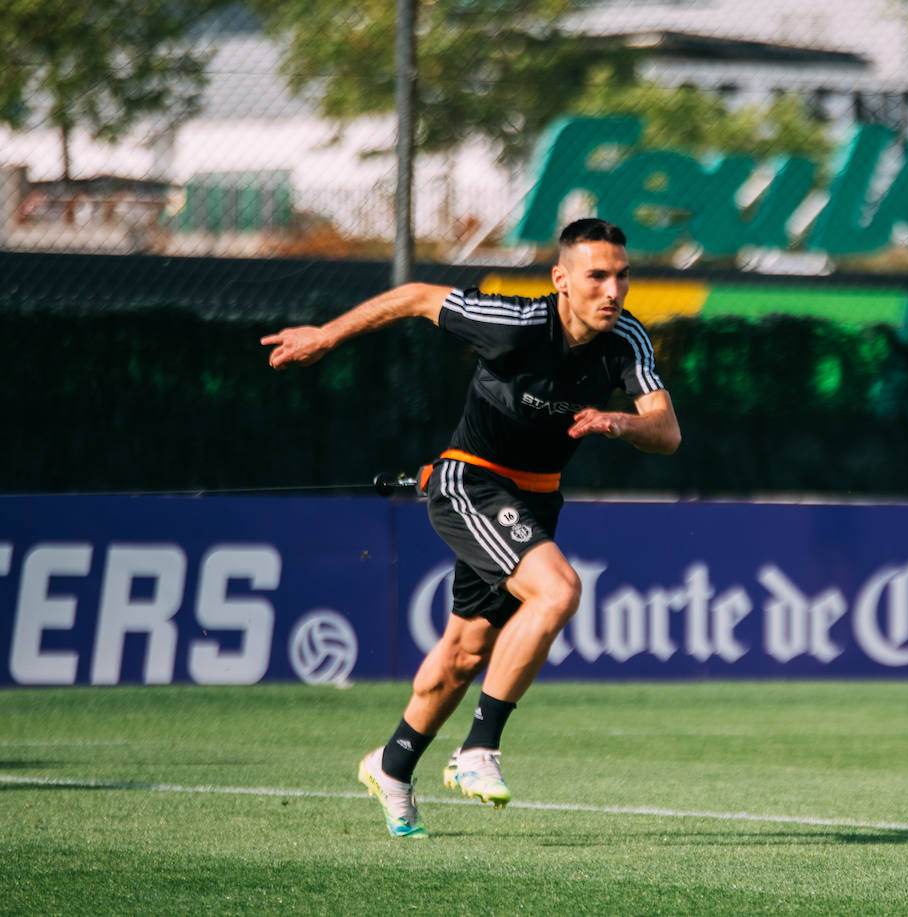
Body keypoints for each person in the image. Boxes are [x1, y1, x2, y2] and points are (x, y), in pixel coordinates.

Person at [261, 218, 681, 838]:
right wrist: (327, 334)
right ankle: (479, 748)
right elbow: (415, 297)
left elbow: (667, 432)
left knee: (465, 652)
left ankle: (392, 764)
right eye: (597, 276)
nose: (612, 290)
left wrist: (617, 423)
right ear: (561, 280)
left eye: (622, 276)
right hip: (470, 481)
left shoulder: (628, 341)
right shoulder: (514, 324)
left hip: (535, 501)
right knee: (558, 590)